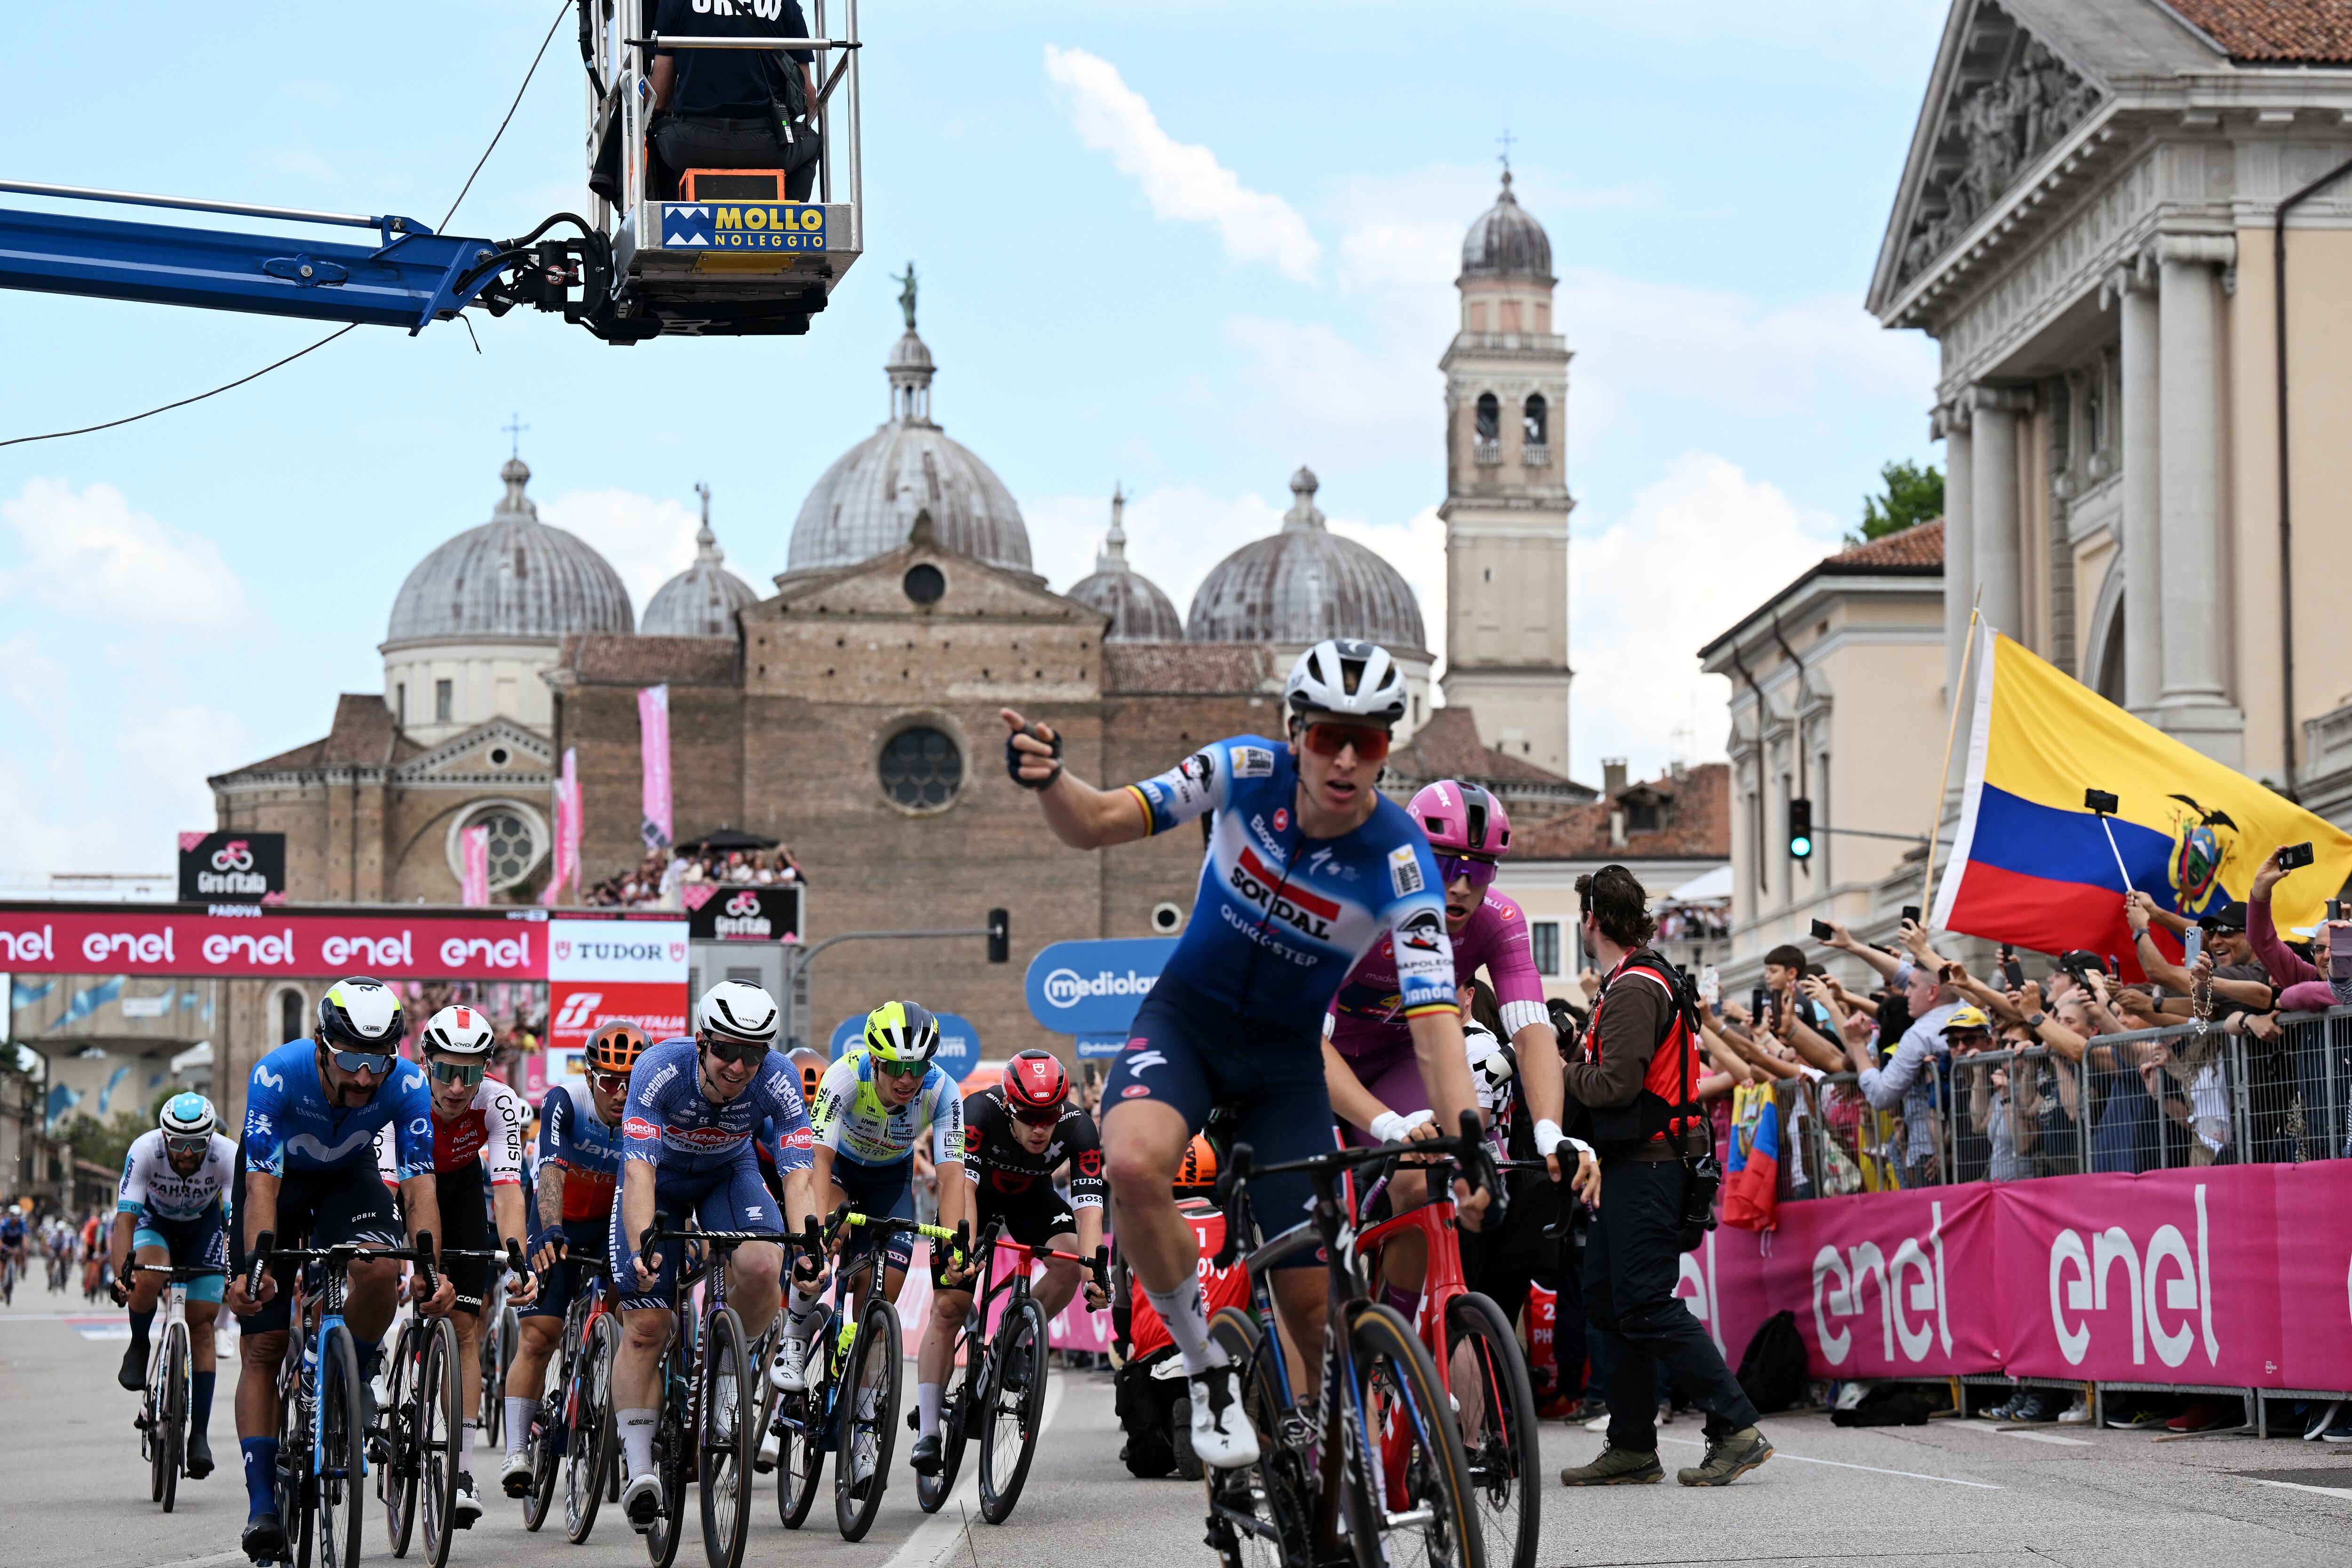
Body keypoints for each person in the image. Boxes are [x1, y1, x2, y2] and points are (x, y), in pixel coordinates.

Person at [1001, 636, 1486, 1471]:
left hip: (1286, 1063)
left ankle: (1351, 1477)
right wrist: (1051, 781)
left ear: (1387, 748)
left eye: (1366, 740)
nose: (1342, 757)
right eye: (1327, 733)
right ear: (1294, 728)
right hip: (1186, 1021)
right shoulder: (1239, 769)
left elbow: (1435, 1016)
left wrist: (1464, 1129)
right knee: (1133, 1163)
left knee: (1312, 1308)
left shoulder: (1402, 860)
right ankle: (1204, 1362)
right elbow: (1100, 821)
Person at [1322, 778, 1597, 1325]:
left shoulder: (1499, 919)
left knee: (1417, 1176)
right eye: (1446, 864)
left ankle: (1393, 1350)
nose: (1462, 887)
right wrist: (1383, 1123)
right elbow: (1307, 1041)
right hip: (1320, 1060)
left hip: (1403, 1053)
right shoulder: (1356, 905)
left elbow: (1531, 1031)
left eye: (1481, 868)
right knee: (1313, 1226)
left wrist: (1549, 1130)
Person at [225, 978, 455, 1561]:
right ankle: (261, 1507)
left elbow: (420, 1185)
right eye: (350, 1060)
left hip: (347, 1181)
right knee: (264, 1341)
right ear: (322, 1046)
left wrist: (430, 1268)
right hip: (277, 1185)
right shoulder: (277, 1075)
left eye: (376, 1062)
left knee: (381, 1270)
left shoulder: (404, 1084)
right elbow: (260, 1186)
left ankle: (348, 1364)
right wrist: (257, 1267)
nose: (362, 1078)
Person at [1557, 864, 1771, 1489]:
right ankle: (1631, 1443)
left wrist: (1551, 1065)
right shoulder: (1640, 976)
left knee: (1645, 1303)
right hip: (1641, 1162)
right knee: (1606, 1296)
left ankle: (1735, 1426)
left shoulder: (1632, 987)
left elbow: (1615, 1086)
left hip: (1650, 1165)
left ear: (1591, 919)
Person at [611, 981, 817, 1529]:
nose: (738, 1066)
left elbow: (798, 1174)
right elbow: (638, 1171)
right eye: (726, 1050)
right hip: (660, 1181)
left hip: (728, 1175)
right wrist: (642, 1247)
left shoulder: (778, 1079)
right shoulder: (660, 1068)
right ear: (702, 1041)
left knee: (762, 1265)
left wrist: (808, 1245)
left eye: (752, 1054)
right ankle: (638, 1470)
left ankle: (727, 1375)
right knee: (646, 1325)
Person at [774, 1001, 965, 1492]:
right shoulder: (843, 1078)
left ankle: (863, 1442)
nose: (908, 1079)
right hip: (838, 1170)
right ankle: (795, 1338)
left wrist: (955, 1247)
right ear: (875, 1061)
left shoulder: (943, 1091)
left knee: (879, 1305)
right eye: (898, 1068)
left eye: (917, 1067)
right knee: (829, 1238)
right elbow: (817, 1158)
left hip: (891, 1180)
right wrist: (811, 1237)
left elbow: (950, 1178)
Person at [917, 1050, 1108, 1475]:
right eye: (1028, 1115)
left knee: (1070, 1261)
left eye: (1049, 1116)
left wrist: (1094, 1271)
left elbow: (1089, 1207)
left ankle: (1014, 1337)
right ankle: (928, 1430)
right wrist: (961, 1250)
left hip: (1030, 1197)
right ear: (1009, 1104)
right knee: (949, 1306)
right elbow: (962, 1190)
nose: (1040, 1128)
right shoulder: (980, 1111)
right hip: (975, 1197)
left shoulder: (1079, 1129)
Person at [391, 1004, 535, 1525]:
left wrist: (517, 1255)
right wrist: (418, 1271)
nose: (457, 1086)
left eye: (470, 1072)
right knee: (395, 1277)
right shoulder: (401, 1092)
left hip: (460, 1193)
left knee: (466, 1327)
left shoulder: (498, 1101)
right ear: (424, 1062)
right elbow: (403, 1191)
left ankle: (461, 1470)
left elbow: (508, 1190)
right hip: (402, 1187)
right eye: (447, 1070)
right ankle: (364, 1371)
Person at [500, 1021, 640, 1497]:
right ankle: (517, 1448)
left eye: (631, 1082)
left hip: (610, 1227)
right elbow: (551, 1169)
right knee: (540, 1335)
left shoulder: (648, 1114)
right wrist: (551, 1228)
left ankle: (618, 1419)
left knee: (637, 1316)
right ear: (591, 1074)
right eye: (610, 1081)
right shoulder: (567, 1099)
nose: (620, 1093)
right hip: (557, 1218)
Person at [110, 1093, 238, 1478]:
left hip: (204, 1227)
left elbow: (234, 1224)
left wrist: (238, 1272)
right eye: (178, 1144)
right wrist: (121, 1275)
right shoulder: (145, 1150)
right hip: (156, 1222)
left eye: (197, 1145)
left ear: (210, 1140)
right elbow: (125, 1221)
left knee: (202, 1326)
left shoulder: (228, 1154)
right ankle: (139, 1343)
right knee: (148, 1274)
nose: (186, 1153)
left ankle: (199, 1435)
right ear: (163, 1138)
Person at [646, 0, 823, 202]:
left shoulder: (674, 3)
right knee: (812, 143)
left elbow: (659, 98)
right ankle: (784, 222)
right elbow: (808, 99)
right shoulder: (786, 5)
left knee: (656, 136)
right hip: (766, 149)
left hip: (691, 145)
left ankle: (670, 221)